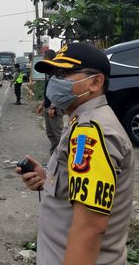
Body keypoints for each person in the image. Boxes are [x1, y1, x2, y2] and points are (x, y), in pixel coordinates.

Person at [16, 43, 135, 264]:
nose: (54, 81)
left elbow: (89, 230)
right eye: (53, 74)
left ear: (95, 82)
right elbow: (79, 187)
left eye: (63, 73)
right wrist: (47, 180)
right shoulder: (81, 121)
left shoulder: (93, 133)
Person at [36, 49, 63, 155]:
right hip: (48, 106)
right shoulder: (48, 72)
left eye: (44, 57)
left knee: (58, 135)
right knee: (50, 134)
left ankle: (63, 157)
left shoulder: (56, 72)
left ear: (49, 58)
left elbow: (58, 91)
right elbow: (48, 91)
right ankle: (54, 157)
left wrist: (53, 107)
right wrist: (42, 104)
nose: (43, 59)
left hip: (54, 108)